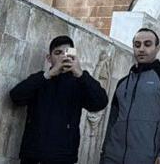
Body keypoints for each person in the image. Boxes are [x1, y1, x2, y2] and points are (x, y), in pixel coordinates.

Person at [10, 35, 109, 164]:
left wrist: (80, 73)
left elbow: (100, 102)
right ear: (49, 58)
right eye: (58, 53)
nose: (63, 57)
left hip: (63, 157)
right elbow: (16, 96)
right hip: (33, 156)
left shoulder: (79, 83)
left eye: (67, 53)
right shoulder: (40, 79)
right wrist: (48, 75)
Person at [102, 28, 160, 164]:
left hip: (147, 157)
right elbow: (112, 121)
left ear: (157, 48)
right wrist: (105, 151)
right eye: (137, 45)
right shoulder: (122, 83)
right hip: (113, 157)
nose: (141, 49)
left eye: (147, 44)